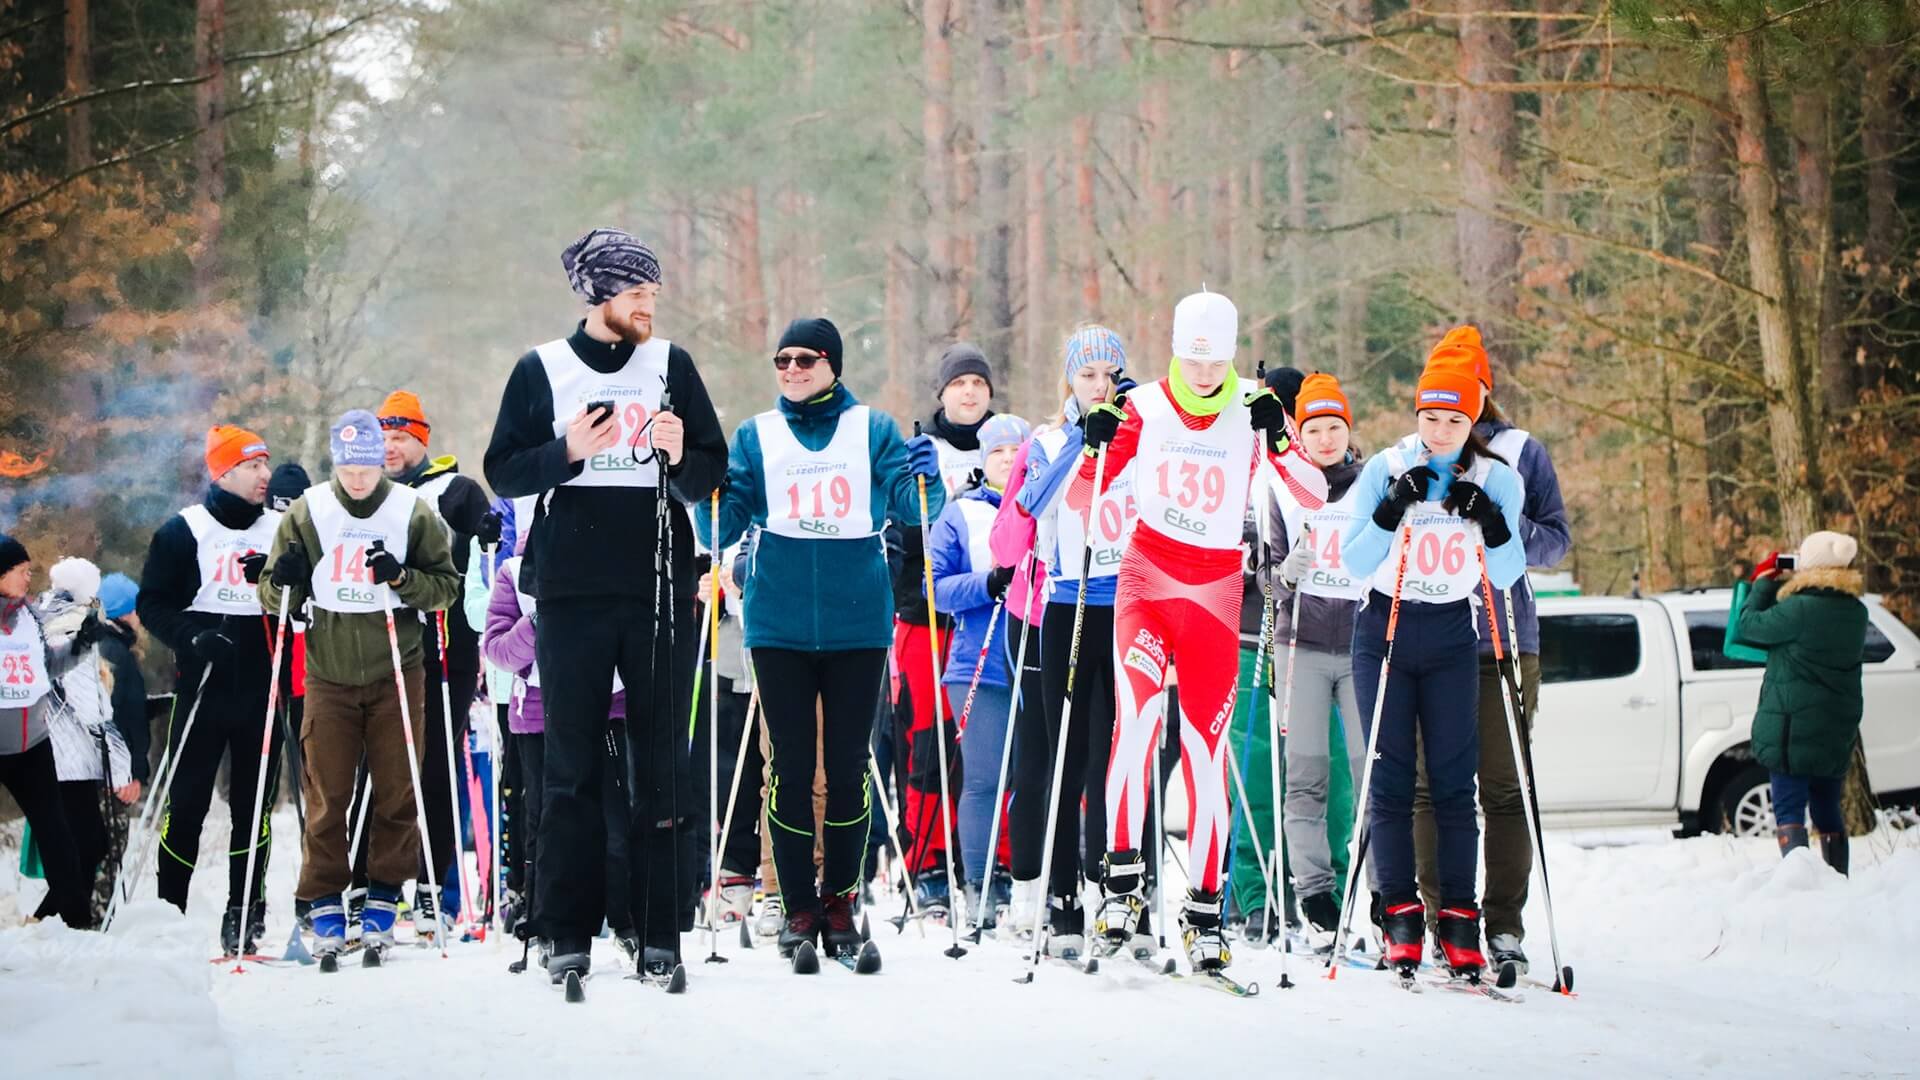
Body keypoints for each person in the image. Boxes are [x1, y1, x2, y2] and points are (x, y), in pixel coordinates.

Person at [483, 227, 727, 986]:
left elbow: (707, 476)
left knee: (661, 770)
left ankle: (659, 934)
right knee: (570, 771)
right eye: (636, 294)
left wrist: (682, 451)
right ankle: (568, 934)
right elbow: (503, 471)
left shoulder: (671, 365)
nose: (649, 306)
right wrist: (566, 453)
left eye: (653, 293)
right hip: (571, 593)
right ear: (599, 298)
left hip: (658, 588)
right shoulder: (542, 369)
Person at [696, 315, 943, 960]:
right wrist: (709, 492)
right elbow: (719, 529)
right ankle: (798, 907)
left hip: (856, 621)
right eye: (783, 360)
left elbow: (918, 509)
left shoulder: (873, 429)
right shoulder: (757, 434)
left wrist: (928, 475)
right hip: (777, 625)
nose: (794, 370)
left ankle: (840, 902)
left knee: (849, 765)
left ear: (832, 363)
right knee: (792, 765)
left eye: (807, 359)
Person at [1076, 290, 1301, 973]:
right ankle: (1121, 886)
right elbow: (1087, 501)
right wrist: (1095, 446)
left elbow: (1312, 495)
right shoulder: (1141, 405)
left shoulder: (1251, 407)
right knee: (1137, 728)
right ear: (1176, 349)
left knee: (1205, 754)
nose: (1204, 374)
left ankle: (1205, 912)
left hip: (1214, 594)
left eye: (1215, 360)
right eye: (1192, 358)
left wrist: (1280, 438)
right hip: (1145, 583)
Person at [1341, 330, 1526, 979]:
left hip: (1452, 635)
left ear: (1471, 417)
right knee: (1390, 782)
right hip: (1385, 633)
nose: (1440, 430)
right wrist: (1392, 510)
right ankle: (1398, 913)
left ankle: (1458, 919)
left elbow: (1506, 575)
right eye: (1429, 417)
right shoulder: (1386, 468)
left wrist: (1495, 523)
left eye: (1453, 419)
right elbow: (1352, 560)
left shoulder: (1497, 478)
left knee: (1454, 784)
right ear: (1415, 416)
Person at [264, 411, 460, 962]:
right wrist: (284, 580)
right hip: (329, 675)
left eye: (367, 465)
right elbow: (273, 595)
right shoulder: (309, 511)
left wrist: (401, 577)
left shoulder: (410, 510)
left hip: (398, 667)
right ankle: (324, 894)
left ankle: (382, 891)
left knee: (398, 789)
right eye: (348, 465)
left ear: (382, 461)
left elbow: (445, 589)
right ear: (335, 462)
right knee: (329, 791)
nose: (357, 476)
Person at [1411, 326, 1571, 978]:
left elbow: (1555, 543)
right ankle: (1438, 917)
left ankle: (1504, 924)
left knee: (1503, 789)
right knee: (1429, 787)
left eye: (1469, 386)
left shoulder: (1520, 451)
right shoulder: (1416, 450)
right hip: (1430, 632)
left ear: (1485, 390)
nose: (1456, 407)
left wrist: (1500, 521)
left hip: (1502, 639)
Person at [989, 324, 1128, 955]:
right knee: (1064, 760)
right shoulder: (1047, 440)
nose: (1100, 385)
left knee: (1116, 761)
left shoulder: (1139, 432)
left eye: (1110, 374)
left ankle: (1117, 892)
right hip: (1065, 608)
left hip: (1128, 607)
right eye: (1088, 374)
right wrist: (1081, 442)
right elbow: (1029, 511)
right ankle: (1061, 896)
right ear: (1070, 378)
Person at [135, 425, 283, 950]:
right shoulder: (184, 530)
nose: (265, 474)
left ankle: (245, 912)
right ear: (223, 472)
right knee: (188, 801)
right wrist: (194, 636)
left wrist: (277, 577)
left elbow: (306, 593)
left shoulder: (282, 529)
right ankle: (168, 910)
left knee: (253, 806)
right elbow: (151, 603)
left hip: (263, 687)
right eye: (252, 466)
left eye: (266, 464)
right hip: (202, 685)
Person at [368, 389, 497, 937]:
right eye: (383, 439)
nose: (390, 448)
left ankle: (432, 889)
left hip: (449, 645)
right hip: (384, 647)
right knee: (387, 768)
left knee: (438, 762)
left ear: (420, 440)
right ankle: (379, 884)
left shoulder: (456, 489)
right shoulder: (366, 496)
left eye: (400, 438)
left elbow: (491, 548)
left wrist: (485, 536)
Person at [481, 527, 636, 965]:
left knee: (613, 818)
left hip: (606, 707)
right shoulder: (514, 571)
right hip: (538, 712)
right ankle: (547, 920)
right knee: (546, 821)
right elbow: (497, 650)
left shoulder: (605, 560)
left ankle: (625, 919)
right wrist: (537, 620)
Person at [1256, 373, 1367, 947]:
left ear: (1349, 431)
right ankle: (1314, 895)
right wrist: (1287, 573)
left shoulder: (1372, 486)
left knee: (1371, 775)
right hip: (1300, 649)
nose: (1325, 439)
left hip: (1359, 651)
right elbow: (1266, 583)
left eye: (1335, 427)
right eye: (1314, 428)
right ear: (1300, 433)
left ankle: (1381, 892)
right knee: (1304, 779)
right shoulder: (1285, 488)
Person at [888, 342, 996, 912]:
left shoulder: (1007, 445)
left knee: (985, 746)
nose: (970, 392)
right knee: (927, 744)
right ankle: (927, 860)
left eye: (979, 383)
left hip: (989, 619)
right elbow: (901, 531)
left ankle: (988, 858)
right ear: (942, 393)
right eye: (959, 384)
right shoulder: (918, 449)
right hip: (924, 618)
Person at [928, 412, 1030, 924]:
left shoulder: (1045, 503)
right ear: (984, 460)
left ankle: (1029, 880)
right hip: (978, 662)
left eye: (1016, 452)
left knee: (1029, 778)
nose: (1009, 462)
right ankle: (979, 882)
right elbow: (935, 588)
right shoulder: (962, 513)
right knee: (985, 780)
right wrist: (987, 584)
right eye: (998, 454)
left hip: (1033, 659)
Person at [1736, 531, 1868, 875]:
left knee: (1790, 809)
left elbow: (1748, 625)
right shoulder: (1856, 612)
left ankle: (1801, 884)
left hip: (1792, 729)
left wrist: (1762, 583)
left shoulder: (1799, 609)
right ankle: (1838, 878)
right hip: (1835, 728)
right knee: (1827, 806)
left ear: (1809, 566)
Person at [35, 559, 138, 927]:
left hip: (41, 746)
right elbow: (90, 706)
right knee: (88, 843)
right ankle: (56, 923)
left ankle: (56, 923)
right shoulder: (74, 625)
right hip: (72, 756)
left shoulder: (40, 617)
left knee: (73, 843)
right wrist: (121, 763)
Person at [0, 533, 96, 927]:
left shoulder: (29, 617)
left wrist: (81, 645)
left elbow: (46, 667)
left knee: (58, 837)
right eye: (21, 572)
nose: (28, 579)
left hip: (32, 744)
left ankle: (77, 927)